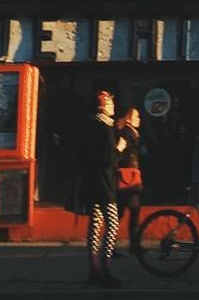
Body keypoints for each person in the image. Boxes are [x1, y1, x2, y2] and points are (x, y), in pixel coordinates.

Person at [78, 89, 126, 288]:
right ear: (102, 107)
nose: (113, 106)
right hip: (105, 184)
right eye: (110, 104)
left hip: (91, 183)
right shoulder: (106, 128)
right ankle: (106, 270)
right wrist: (120, 147)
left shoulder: (89, 124)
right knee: (112, 224)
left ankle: (94, 269)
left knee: (95, 226)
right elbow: (109, 160)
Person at [115, 107, 143, 255]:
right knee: (131, 212)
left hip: (130, 176)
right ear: (128, 118)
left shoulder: (131, 132)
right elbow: (119, 149)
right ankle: (134, 245)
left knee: (123, 212)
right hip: (128, 178)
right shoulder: (127, 132)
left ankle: (115, 245)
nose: (139, 119)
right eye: (136, 116)